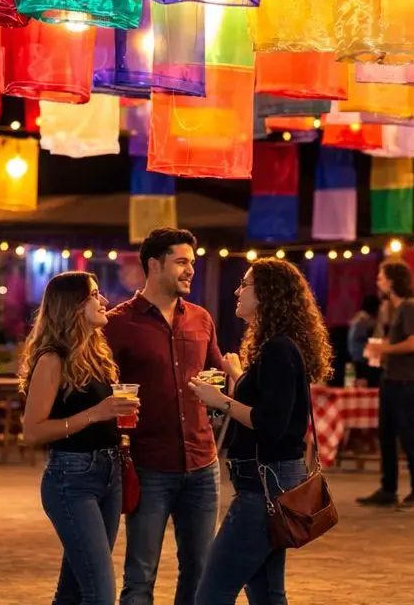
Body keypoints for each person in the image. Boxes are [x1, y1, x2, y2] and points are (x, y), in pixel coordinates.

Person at [188, 257, 333, 605]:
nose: (237, 291)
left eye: (246, 284)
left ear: (268, 294)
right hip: (267, 481)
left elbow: (271, 423)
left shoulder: (279, 349)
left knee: (211, 592)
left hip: (265, 486)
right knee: (267, 593)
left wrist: (219, 400)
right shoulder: (275, 348)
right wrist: (238, 376)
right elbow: (271, 404)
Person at [105, 227, 230, 605]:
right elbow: (100, 390)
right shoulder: (117, 323)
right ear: (154, 265)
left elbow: (218, 375)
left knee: (200, 570)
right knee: (140, 575)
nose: (190, 270)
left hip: (202, 463)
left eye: (192, 262)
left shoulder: (201, 319)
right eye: (181, 262)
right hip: (148, 467)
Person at [19, 272, 140, 605]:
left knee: (74, 590)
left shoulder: (98, 356)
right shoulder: (52, 358)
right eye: (95, 295)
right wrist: (96, 414)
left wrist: (118, 417)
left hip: (110, 473)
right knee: (100, 593)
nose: (105, 301)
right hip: (71, 479)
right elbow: (33, 431)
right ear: (73, 305)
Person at [357, 261, 414, 510]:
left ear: (392, 281)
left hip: (407, 381)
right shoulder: (396, 309)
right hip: (393, 379)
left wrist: (384, 348)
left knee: (408, 435)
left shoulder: (411, 308)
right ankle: (388, 489)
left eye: (381, 277)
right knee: (387, 435)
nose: (378, 282)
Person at [346, 295, 383, 387]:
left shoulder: (358, 319)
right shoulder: (364, 320)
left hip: (357, 356)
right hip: (363, 356)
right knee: (367, 381)